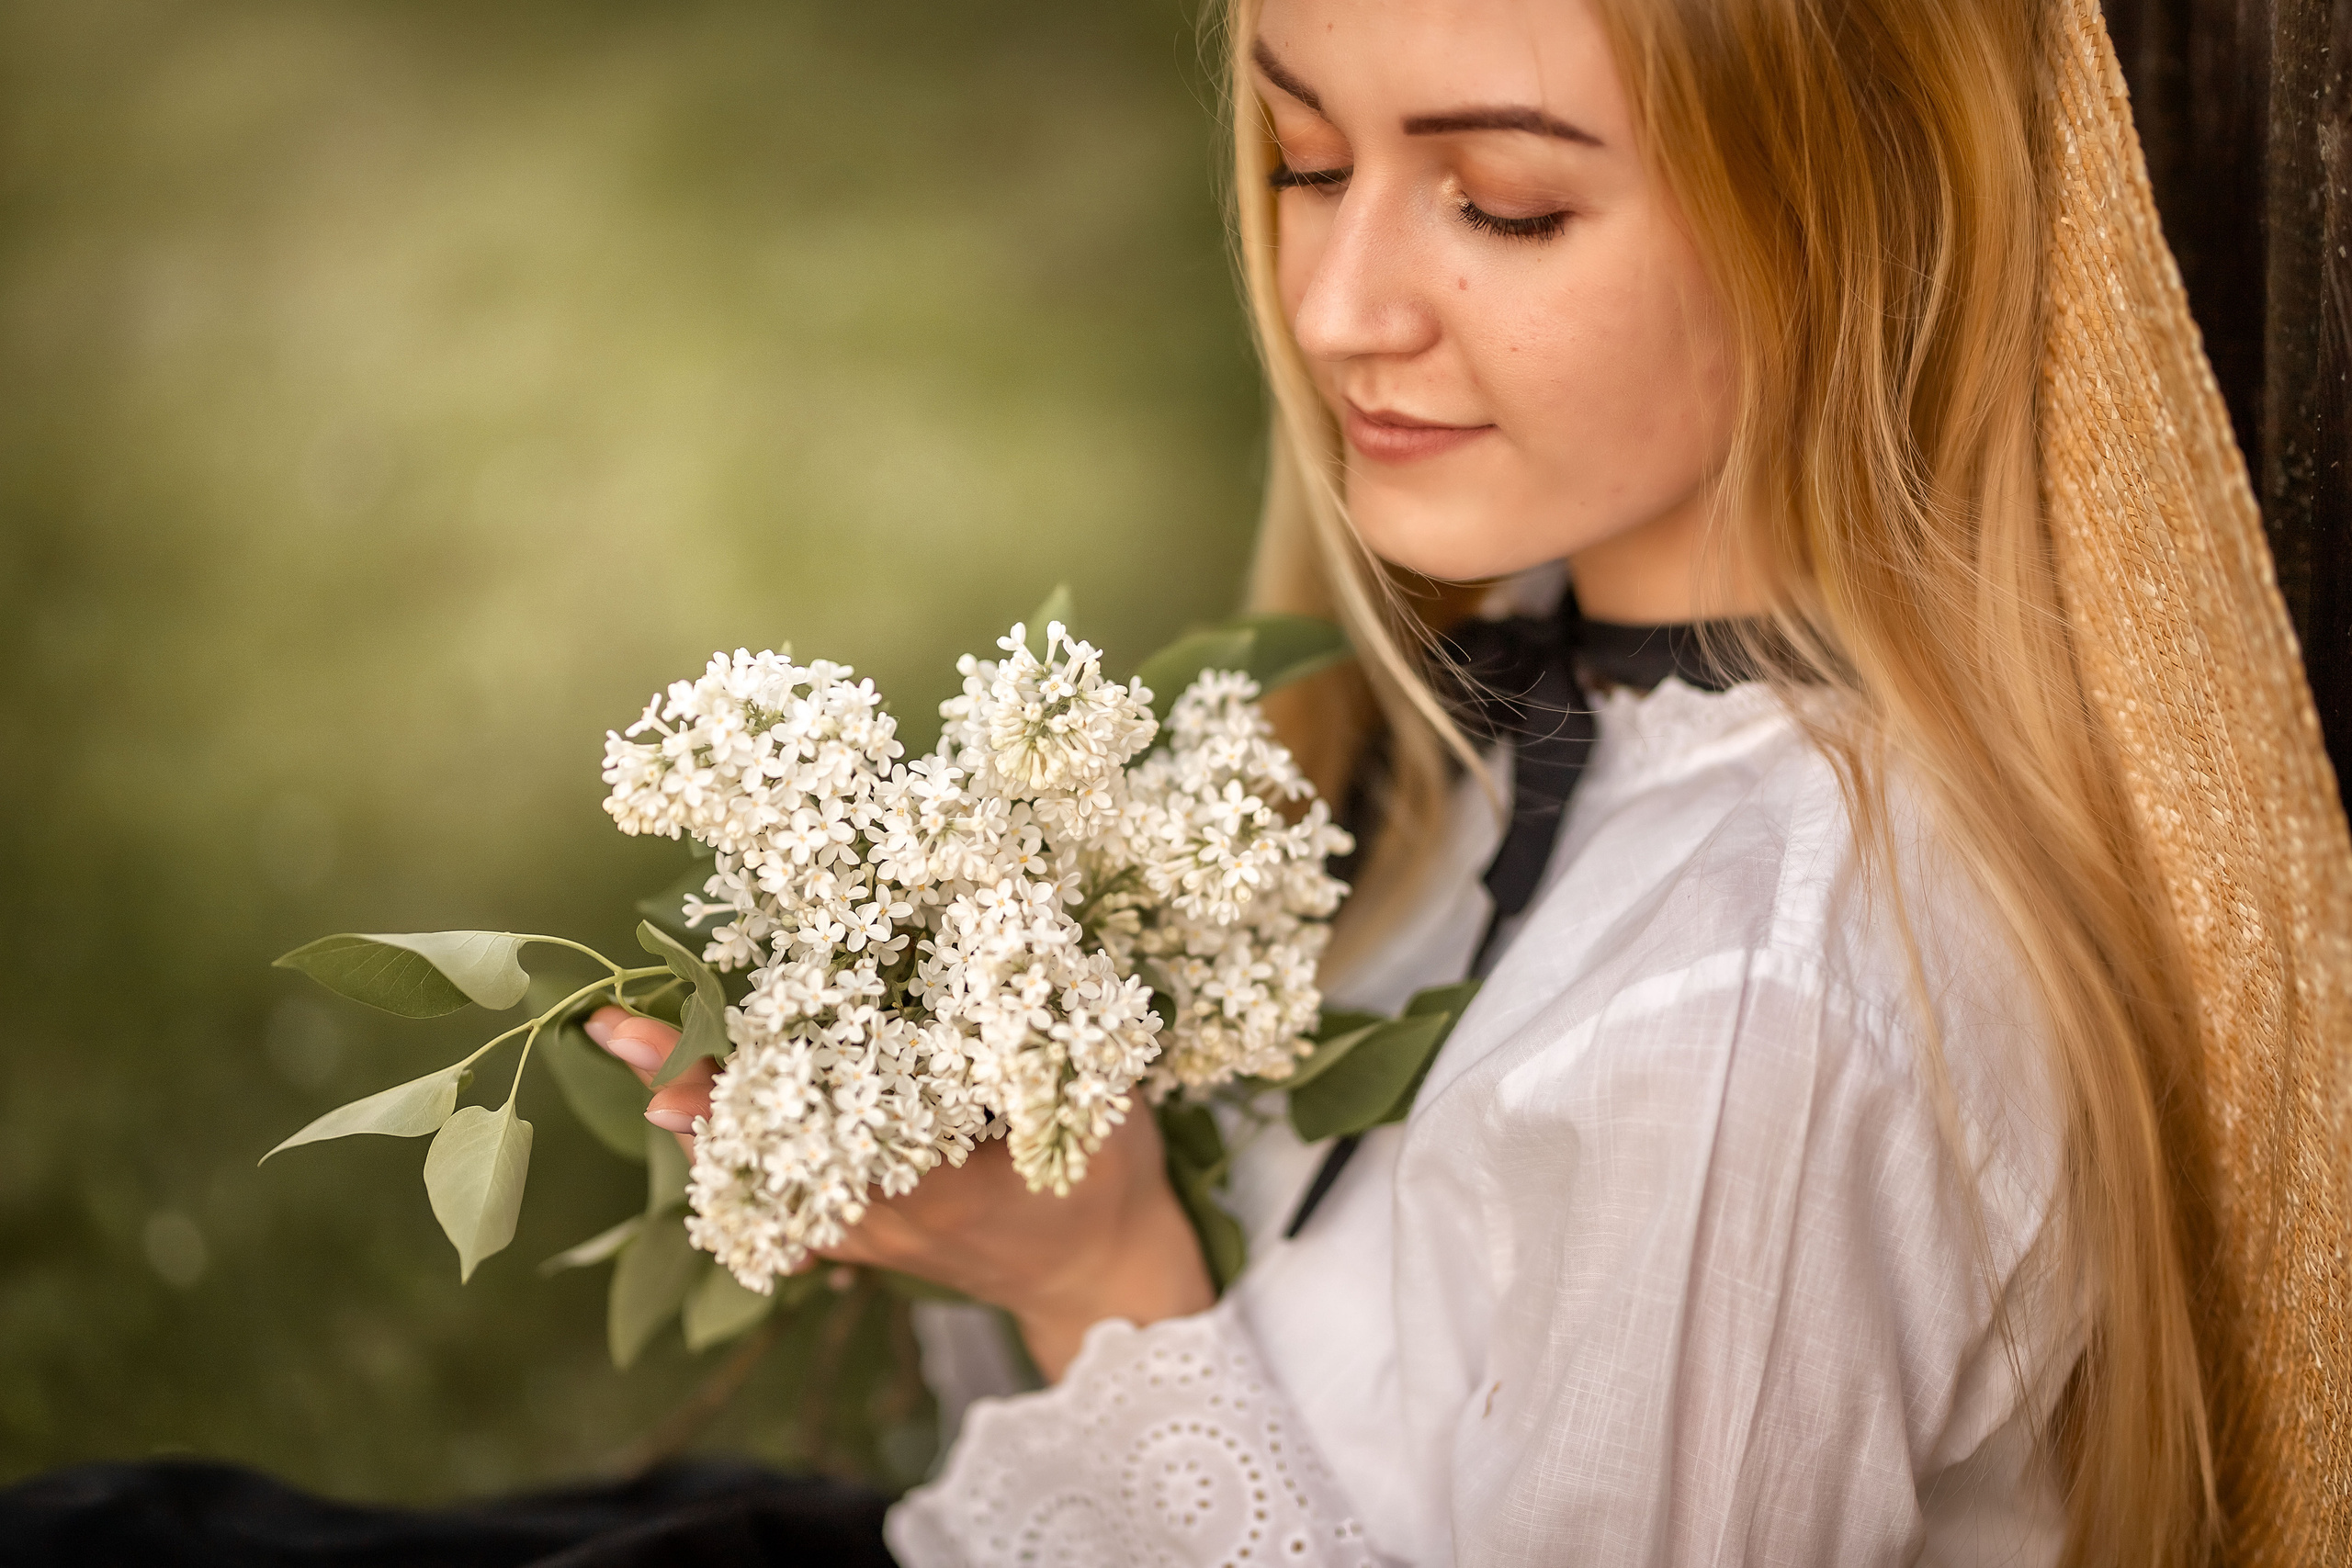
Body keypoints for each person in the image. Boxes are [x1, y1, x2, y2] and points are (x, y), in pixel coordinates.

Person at [9, 0, 2343, 1563]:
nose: (1332, 306)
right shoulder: (1508, 688)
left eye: (1500, 202)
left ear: (1849, 219)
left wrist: (1093, 1272)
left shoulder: (1760, 1004)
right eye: (1302, 158)